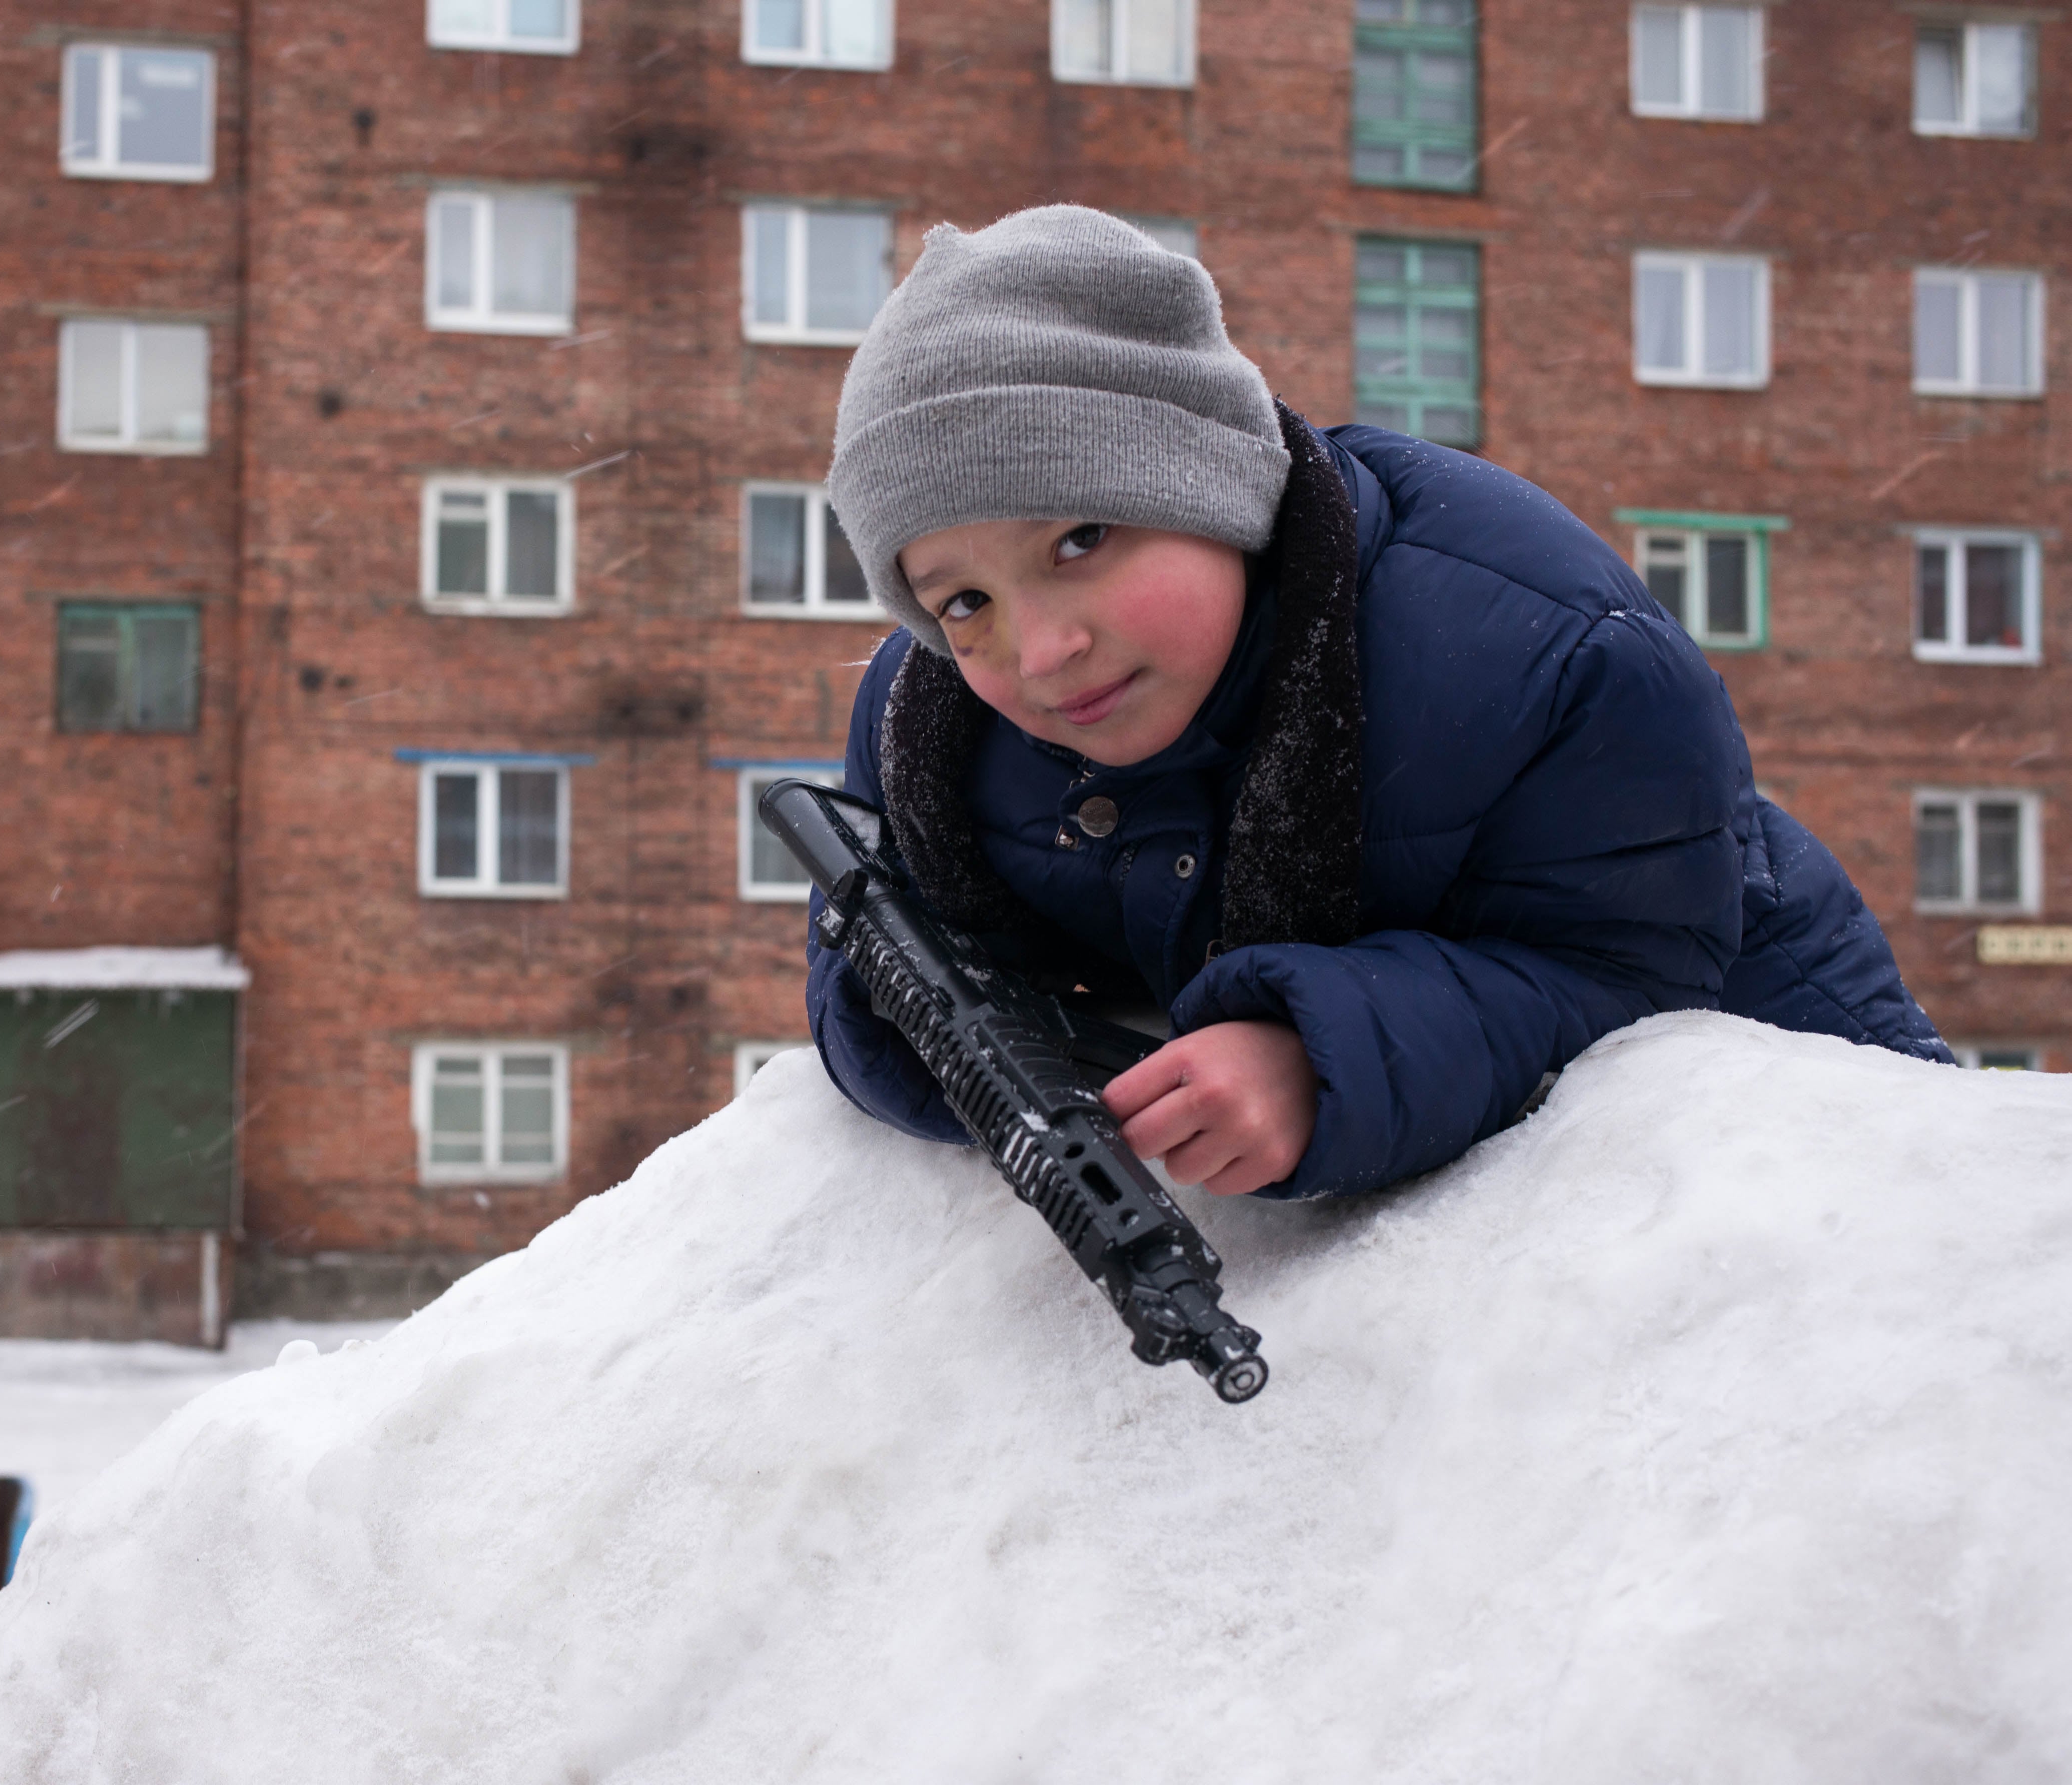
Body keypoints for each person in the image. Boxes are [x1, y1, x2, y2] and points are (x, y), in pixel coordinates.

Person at [809, 205, 1948, 1201]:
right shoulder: (934, 729)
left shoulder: (1544, 647)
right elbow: (866, 935)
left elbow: (1623, 978)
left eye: (1081, 538)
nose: (1043, 649)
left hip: (1787, 1101)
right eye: (962, 600)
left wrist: (1317, 1055)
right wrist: (955, 1042)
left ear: (1216, 487)